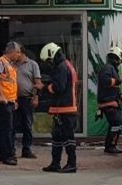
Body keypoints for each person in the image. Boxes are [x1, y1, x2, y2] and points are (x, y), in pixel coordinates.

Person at [39, 42, 78, 173]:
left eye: (48, 61)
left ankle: (72, 163)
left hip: (65, 108)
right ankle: (55, 163)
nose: (48, 64)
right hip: (62, 108)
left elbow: (59, 87)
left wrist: (45, 87)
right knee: (57, 136)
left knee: (68, 137)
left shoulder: (62, 67)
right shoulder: (65, 65)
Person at [0, 41, 21, 166]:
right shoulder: (0, 62)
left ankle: (3, 154)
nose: (18, 55)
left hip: (8, 100)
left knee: (6, 128)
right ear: (11, 52)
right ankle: (8, 155)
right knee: (7, 128)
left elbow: (10, 84)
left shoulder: (10, 65)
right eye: (17, 52)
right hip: (1, 100)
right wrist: (1, 95)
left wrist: (14, 100)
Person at [14, 45, 43, 159]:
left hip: (27, 98)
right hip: (14, 98)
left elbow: (38, 83)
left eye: (16, 52)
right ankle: (12, 149)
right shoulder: (12, 64)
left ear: (21, 52)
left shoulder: (32, 64)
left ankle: (27, 149)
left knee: (27, 124)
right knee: (13, 124)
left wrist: (36, 97)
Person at [98, 46, 122, 154]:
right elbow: (105, 81)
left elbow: (114, 86)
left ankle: (110, 146)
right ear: (117, 58)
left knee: (115, 124)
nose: (120, 62)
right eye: (120, 60)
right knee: (116, 123)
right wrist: (119, 81)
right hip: (107, 102)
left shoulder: (112, 68)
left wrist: (120, 95)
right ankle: (110, 146)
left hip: (111, 101)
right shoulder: (108, 68)